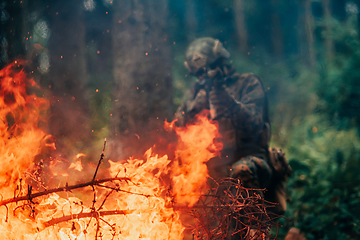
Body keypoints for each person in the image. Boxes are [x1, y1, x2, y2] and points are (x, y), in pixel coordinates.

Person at [175, 37, 291, 239]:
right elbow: (177, 127)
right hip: (214, 168)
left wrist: (230, 104)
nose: (204, 77)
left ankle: (256, 233)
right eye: (199, 74)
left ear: (221, 62)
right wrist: (194, 109)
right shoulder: (196, 91)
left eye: (208, 70)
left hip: (252, 160)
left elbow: (256, 124)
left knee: (241, 171)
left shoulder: (248, 83)